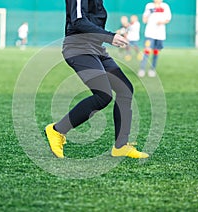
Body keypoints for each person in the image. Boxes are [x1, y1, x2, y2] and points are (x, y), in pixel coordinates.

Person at [44, 0, 149, 159]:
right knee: (103, 95)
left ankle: (121, 146)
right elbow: (78, 21)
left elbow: (92, 23)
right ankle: (57, 131)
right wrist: (109, 36)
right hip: (78, 48)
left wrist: (110, 36)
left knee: (125, 89)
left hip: (97, 49)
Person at [138, 0, 171, 78]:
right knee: (147, 51)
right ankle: (142, 69)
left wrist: (161, 22)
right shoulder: (149, 6)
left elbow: (168, 18)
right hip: (150, 33)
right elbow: (144, 19)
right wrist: (148, 15)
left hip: (160, 35)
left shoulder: (165, 6)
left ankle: (152, 69)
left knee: (156, 52)